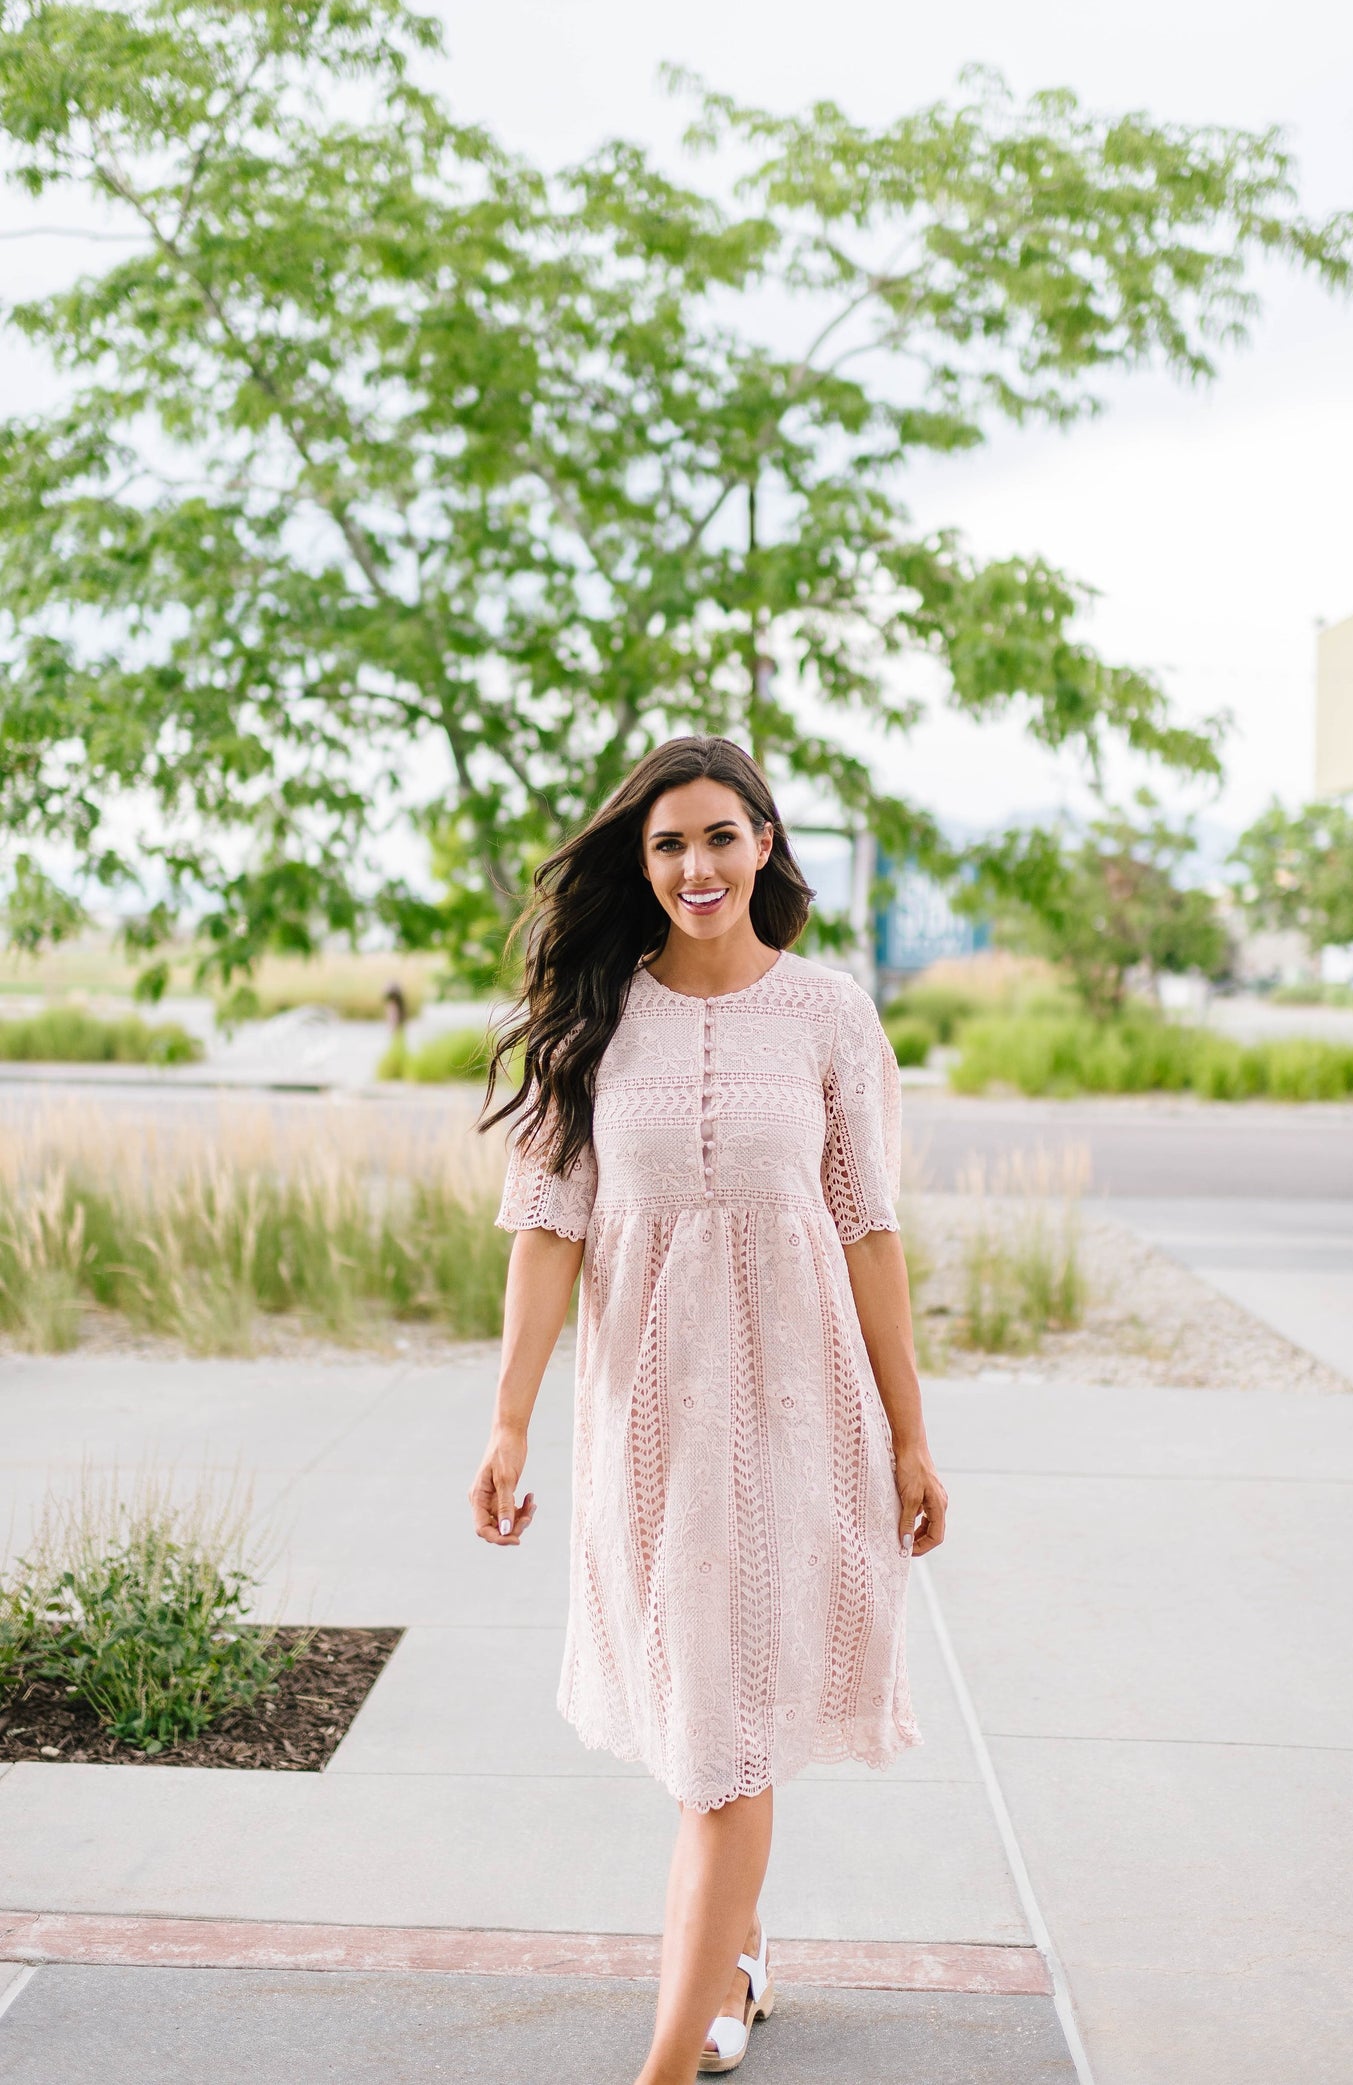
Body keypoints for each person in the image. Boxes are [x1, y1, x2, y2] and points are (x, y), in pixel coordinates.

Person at [470, 736, 947, 2082]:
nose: (696, 865)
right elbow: (547, 1226)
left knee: (726, 1752)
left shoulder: (829, 1016)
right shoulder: (596, 1021)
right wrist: (507, 1420)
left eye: (721, 837)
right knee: (706, 1732)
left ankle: (664, 2063)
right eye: (670, 841)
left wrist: (911, 1434)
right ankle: (734, 1958)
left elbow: (866, 1229)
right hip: (651, 1427)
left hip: (802, 1418)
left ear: (766, 847)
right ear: (641, 858)